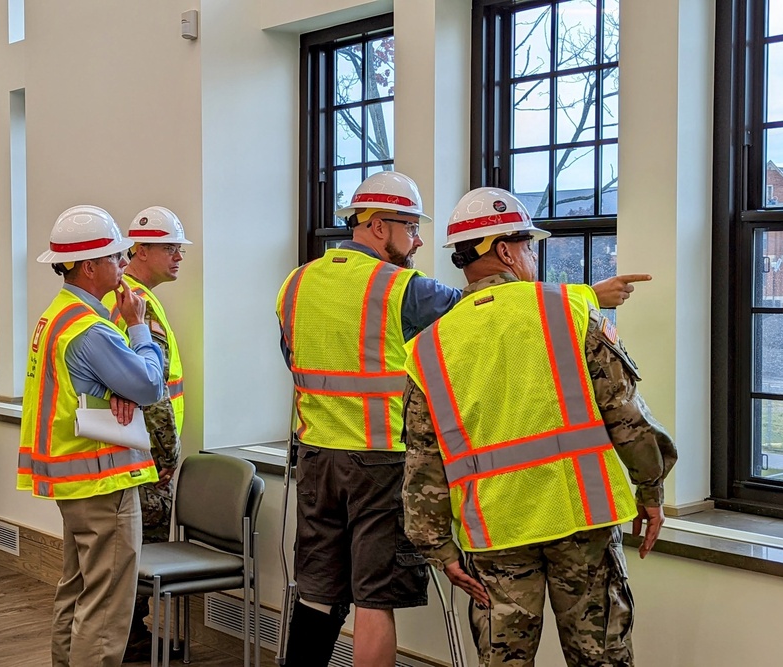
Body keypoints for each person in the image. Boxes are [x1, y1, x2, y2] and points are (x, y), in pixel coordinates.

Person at [275, 172, 650, 667]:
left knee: (317, 591)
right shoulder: (400, 287)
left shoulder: (296, 283)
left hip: (318, 456)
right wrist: (587, 296)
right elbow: (487, 311)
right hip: (380, 460)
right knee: (373, 598)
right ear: (377, 224)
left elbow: (293, 357)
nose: (417, 240)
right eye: (409, 227)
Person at [401, 187, 679, 667]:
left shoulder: (429, 349)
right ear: (505, 250)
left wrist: (438, 548)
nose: (532, 256)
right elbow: (627, 416)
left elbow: (423, 466)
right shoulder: (567, 311)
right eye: (529, 246)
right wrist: (650, 489)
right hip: (581, 522)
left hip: (494, 533)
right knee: (601, 658)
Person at [17, 204, 164, 667]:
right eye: (116, 257)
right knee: (105, 609)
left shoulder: (57, 316)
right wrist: (138, 327)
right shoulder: (91, 329)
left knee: (77, 591)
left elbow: (116, 388)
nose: (124, 266)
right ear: (89, 266)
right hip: (104, 484)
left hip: (73, 481)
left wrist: (119, 390)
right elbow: (149, 385)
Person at [101, 206, 190, 661]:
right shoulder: (135, 304)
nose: (179, 256)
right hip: (147, 455)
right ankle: (129, 636)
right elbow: (150, 389)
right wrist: (167, 455)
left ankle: (127, 633)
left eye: (179, 248)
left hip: (137, 450)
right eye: (170, 247)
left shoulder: (130, 297)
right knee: (140, 547)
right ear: (141, 249)